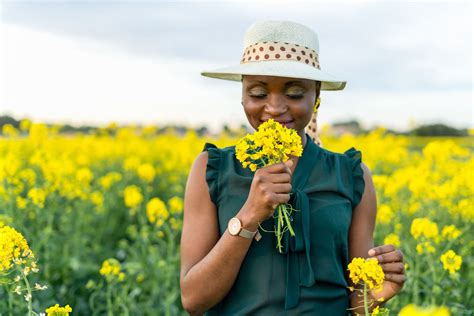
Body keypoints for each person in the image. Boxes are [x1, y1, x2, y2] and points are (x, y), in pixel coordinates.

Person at [180, 20, 406, 315]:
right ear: (242, 95)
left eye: (295, 93)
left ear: (317, 96)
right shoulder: (211, 168)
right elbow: (193, 300)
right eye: (258, 93)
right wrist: (249, 216)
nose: (274, 107)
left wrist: (378, 293)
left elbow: (356, 303)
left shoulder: (352, 175)